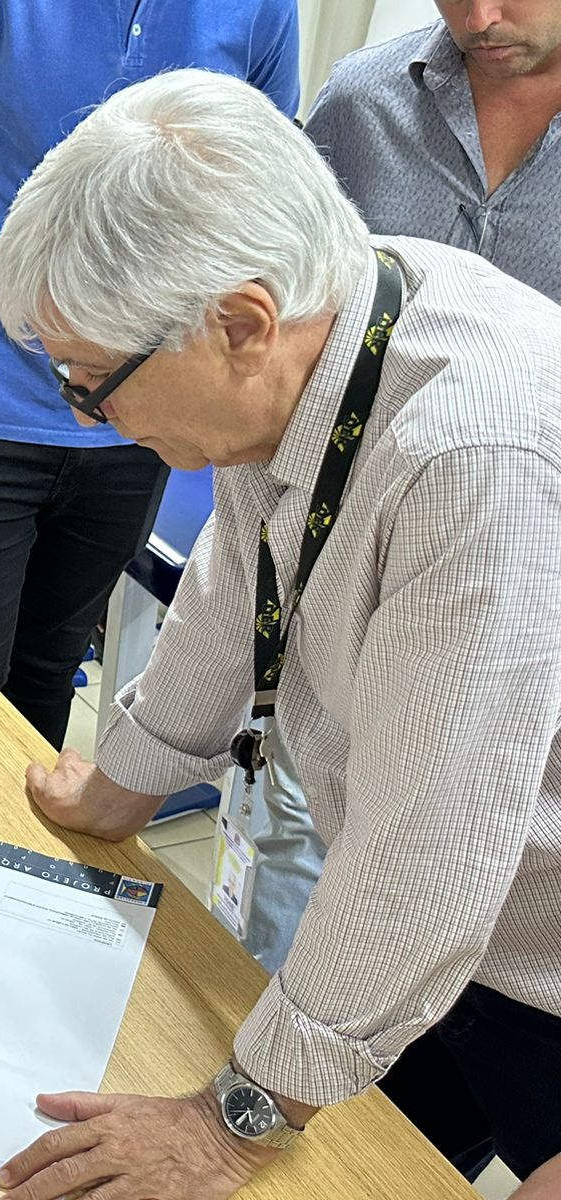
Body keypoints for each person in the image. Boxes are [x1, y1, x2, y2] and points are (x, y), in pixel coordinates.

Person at [0, 69, 561, 1197]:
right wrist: (124, 787)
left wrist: (230, 1125)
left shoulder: (475, 462)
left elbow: (430, 847)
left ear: (240, 322)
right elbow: (230, 585)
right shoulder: (332, 329)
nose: (83, 415)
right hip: (441, 933)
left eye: (89, 382)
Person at [0, 0, 299, 748]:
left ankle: (19, 862)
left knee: (51, 666)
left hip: (148, 418)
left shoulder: (261, 8)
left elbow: (261, 201)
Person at [237, 0, 561, 973]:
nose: (480, 16)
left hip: (525, 590)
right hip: (344, 580)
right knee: (316, 861)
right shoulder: (359, 105)